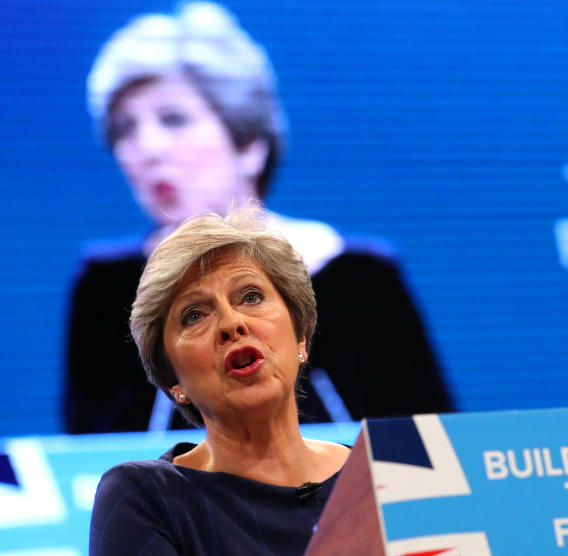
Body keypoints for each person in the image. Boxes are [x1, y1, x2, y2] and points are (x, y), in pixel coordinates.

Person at [67, 1, 453, 433]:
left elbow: (433, 460)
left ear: (250, 143)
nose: (146, 149)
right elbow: (88, 473)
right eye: (125, 129)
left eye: (173, 119)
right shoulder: (107, 286)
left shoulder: (360, 275)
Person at [90, 205, 351, 556]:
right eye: (194, 315)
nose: (231, 323)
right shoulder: (148, 501)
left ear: (300, 336)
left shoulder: (386, 479)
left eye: (251, 296)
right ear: (173, 382)